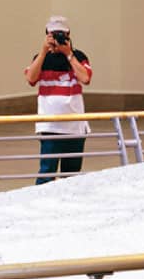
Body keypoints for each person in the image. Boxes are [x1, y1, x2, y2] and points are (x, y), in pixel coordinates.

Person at [25, 16, 93, 183]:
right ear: (47, 35)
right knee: (46, 173)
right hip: (50, 126)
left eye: (61, 34)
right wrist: (43, 51)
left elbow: (85, 78)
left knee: (72, 177)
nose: (57, 39)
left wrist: (69, 54)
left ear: (68, 35)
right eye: (53, 34)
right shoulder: (40, 59)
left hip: (75, 127)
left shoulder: (78, 56)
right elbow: (31, 79)